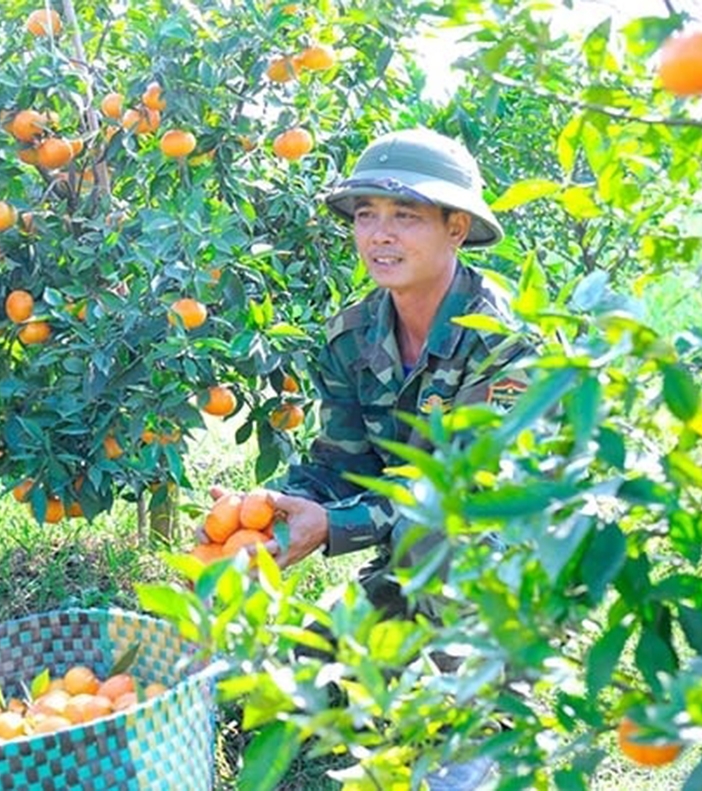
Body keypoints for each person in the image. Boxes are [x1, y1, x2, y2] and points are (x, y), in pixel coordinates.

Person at [207, 128, 531, 789]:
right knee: (310, 675)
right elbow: (340, 461)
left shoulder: (501, 342)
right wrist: (265, 515)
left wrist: (336, 526)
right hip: (410, 549)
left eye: (405, 215)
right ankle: (416, 653)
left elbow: (465, 492)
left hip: (504, 558)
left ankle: (485, 718)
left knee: (438, 530)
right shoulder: (353, 335)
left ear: (456, 227)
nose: (380, 235)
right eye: (365, 215)